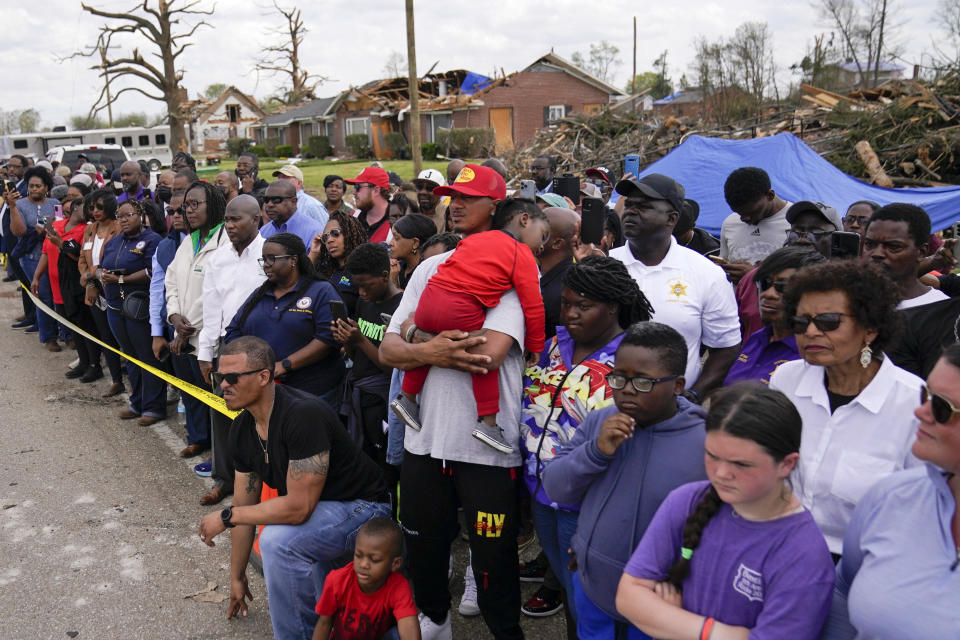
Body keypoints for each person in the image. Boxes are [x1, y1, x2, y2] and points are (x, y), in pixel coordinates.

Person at [379, 163, 526, 640]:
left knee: (492, 560)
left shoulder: (507, 267)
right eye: (451, 197)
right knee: (423, 549)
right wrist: (432, 345)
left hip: (486, 446)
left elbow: (488, 354)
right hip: (425, 441)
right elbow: (388, 348)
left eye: (469, 198)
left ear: (496, 205)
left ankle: (506, 631)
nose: (455, 205)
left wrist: (418, 340)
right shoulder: (428, 267)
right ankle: (435, 623)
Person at [197, 336, 390, 640]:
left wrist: (225, 516)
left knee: (278, 542)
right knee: (348, 618)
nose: (223, 385)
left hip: (365, 510)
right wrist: (236, 576)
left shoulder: (302, 414)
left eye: (232, 377)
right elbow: (244, 506)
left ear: (264, 377)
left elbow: (298, 509)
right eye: (221, 377)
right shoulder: (242, 429)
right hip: (323, 516)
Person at [616, 384, 835, 639]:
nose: (721, 474)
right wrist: (718, 633)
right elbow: (629, 594)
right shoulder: (687, 500)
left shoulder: (803, 555)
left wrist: (670, 622)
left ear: (787, 464)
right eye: (711, 455)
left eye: (741, 464)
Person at [540, 322, 708, 640]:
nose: (627, 389)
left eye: (643, 382)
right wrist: (595, 452)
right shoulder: (601, 421)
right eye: (619, 378)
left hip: (659, 605)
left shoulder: (705, 441)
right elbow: (556, 487)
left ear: (677, 385)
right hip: (594, 590)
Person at [521, 256, 654, 625]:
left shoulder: (633, 359)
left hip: (590, 502)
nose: (571, 314)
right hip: (541, 493)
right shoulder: (551, 344)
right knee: (568, 588)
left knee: (591, 603)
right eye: (566, 303)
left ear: (612, 307)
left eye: (584, 306)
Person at [769, 260, 923, 556]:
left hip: (865, 563)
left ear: (870, 329)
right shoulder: (786, 380)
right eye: (800, 323)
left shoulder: (914, 403)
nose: (811, 332)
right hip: (781, 548)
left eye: (828, 321)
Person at [391, 192, 550, 454]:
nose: (542, 244)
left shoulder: (470, 243)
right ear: (524, 220)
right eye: (542, 235)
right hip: (460, 307)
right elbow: (533, 305)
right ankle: (488, 422)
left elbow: (452, 267)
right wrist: (535, 344)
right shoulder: (521, 254)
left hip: (429, 301)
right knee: (479, 357)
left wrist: (413, 329)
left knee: (434, 345)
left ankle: (407, 398)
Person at [821, 343, 960, 640]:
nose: (920, 412)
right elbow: (844, 591)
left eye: (941, 408)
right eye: (926, 394)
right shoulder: (892, 496)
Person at [609, 174, 741, 402]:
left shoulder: (706, 274)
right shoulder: (604, 266)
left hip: (671, 412)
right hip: (600, 406)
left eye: (643, 207)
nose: (630, 211)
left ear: (671, 218)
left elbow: (726, 347)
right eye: (629, 205)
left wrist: (694, 395)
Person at [197, 194, 267, 505]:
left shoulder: (270, 254)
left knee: (265, 418)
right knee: (224, 416)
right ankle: (223, 479)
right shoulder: (218, 258)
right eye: (227, 219)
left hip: (265, 347)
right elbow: (211, 308)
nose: (230, 225)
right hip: (228, 346)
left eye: (237, 219)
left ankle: (266, 485)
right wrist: (206, 351)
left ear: (256, 220)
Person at [225, 232, 344, 407]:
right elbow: (233, 330)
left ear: (293, 260)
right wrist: (251, 362)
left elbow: (328, 338)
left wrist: (285, 365)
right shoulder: (260, 293)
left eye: (272, 258)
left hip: (311, 393)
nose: (266, 265)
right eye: (263, 259)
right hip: (265, 390)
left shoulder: (321, 291)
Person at [165, 182, 229, 456]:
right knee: (190, 391)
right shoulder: (188, 242)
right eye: (184, 207)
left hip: (205, 335)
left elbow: (215, 293)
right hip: (182, 329)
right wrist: (174, 315)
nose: (188, 211)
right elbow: (172, 282)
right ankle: (198, 437)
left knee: (213, 395)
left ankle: (219, 450)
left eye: (195, 205)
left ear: (212, 205)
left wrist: (185, 330)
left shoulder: (225, 242)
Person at [332, 243, 403, 487]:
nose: (361, 292)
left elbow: (394, 368)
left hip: (384, 399)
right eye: (357, 286)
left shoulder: (402, 308)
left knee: (386, 465)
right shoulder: (365, 303)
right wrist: (348, 340)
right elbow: (355, 354)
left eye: (366, 285)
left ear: (385, 276)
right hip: (361, 396)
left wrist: (360, 340)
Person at [735, 200, 843, 340]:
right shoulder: (755, 278)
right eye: (797, 230)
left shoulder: (843, 286)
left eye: (816, 232)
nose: (803, 239)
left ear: (836, 239)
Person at [99, 199, 165, 425]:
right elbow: (102, 265)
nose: (123, 220)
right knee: (130, 357)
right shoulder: (115, 241)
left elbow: (152, 271)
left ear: (141, 215)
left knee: (147, 357)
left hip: (140, 308)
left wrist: (120, 279)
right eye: (120, 216)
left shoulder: (152, 240)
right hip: (115, 307)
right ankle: (137, 402)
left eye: (128, 215)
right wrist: (100, 275)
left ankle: (154, 407)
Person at [723, 246, 825, 385]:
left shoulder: (813, 355)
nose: (769, 294)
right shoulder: (757, 338)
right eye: (765, 284)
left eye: (783, 287)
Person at [312, 517, 420, 640]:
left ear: (395, 564)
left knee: (396, 635)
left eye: (374, 560)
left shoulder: (398, 586)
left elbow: (409, 626)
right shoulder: (337, 580)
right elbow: (324, 623)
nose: (363, 564)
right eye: (358, 555)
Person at [37, 197, 95, 373]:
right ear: (76, 207)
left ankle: (93, 364)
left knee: (85, 327)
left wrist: (61, 244)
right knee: (72, 326)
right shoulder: (59, 225)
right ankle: (83, 362)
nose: (91, 212)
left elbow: (78, 256)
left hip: (77, 284)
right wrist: (36, 277)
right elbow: (46, 250)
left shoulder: (86, 229)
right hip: (60, 284)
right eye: (88, 207)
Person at [77, 190, 126, 394]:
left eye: (99, 207)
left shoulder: (119, 228)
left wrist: (94, 274)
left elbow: (118, 258)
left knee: (123, 337)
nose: (95, 211)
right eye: (91, 207)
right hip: (95, 291)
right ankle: (116, 379)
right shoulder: (89, 229)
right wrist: (89, 283)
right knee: (105, 336)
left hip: (116, 288)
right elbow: (82, 259)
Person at [862, 202, 949, 309]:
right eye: (870, 244)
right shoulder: (845, 300)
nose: (877, 253)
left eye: (893, 247)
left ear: (921, 252)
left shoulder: (942, 311)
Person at [10, 166, 61, 348]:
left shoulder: (55, 202)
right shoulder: (21, 204)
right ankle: (49, 337)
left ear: (46, 187)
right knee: (43, 295)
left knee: (58, 295)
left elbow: (61, 226)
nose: (33, 189)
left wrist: (49, 228)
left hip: (54, 256)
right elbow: (19, 231)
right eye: (31, 186)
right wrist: (13, 208)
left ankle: (65, 333)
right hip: (31, 258)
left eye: (38, 186)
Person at [718, 167, 792, 280]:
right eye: (738, 213)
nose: (744, 219)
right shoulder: (730, 223)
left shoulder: (798, 223)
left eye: (751, 212)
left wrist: (755, 275)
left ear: (770, 195)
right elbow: (724, 262)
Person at [310, 210, 368, 317]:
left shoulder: (363, 271)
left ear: (350, 233)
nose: (329, 240)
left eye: (335, 233)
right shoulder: (325, 270)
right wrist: (313, 253)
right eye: (325, 237)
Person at [538, 207, 579, 340]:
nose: (526, 230)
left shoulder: (566, 290)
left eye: (537, 227)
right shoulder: (534, 272)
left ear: (556, 243)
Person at [260, 179, 325, 249]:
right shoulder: (263, 232)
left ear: (294, 201)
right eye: (266, 200)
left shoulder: (314, 231)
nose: (270, 204)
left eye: (276, 200)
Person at [388, 213, 436, 291]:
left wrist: (394, 286)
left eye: (396, 238)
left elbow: (417, 301)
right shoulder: (397, 267)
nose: (390, 243)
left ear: (415, 243)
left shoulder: (427, 273)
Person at [347, 167, 392, 243]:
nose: (354, 192)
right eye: (354, 187)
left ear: (376, 190)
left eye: (358, 187)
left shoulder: (399, 222)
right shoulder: (350, 219)